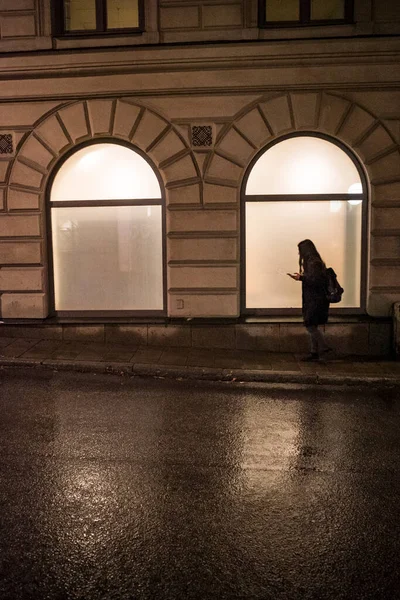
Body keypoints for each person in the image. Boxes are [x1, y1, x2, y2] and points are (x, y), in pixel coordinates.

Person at [287, 239, 331, 361]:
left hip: (315, 299)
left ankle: (324, 346)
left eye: (299, 251)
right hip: (314, 298)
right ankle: (314, 352)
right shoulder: (314, 262)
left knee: (310, 325)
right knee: (312, 324)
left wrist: (301, 278)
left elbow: (315, 281)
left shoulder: (313, 263)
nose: (298, 254)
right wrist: (302, 277)